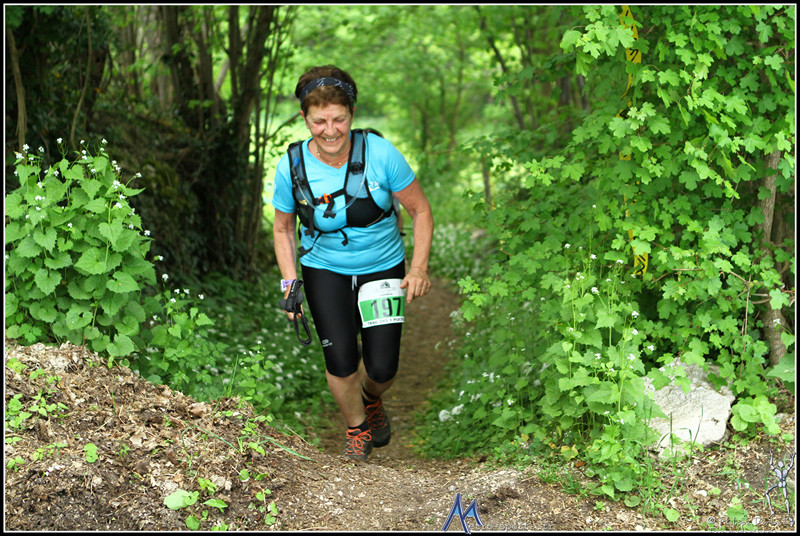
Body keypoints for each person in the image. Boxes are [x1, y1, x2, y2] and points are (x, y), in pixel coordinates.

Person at [271, 65, 434, 461]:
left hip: (382, 267)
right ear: (304, 118)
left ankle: (371, 398)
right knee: (341, 358)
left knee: (381, 368)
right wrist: (290, 283)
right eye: (319, 121)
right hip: (325, 268)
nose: (330, 130)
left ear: (352, 114)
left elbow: (420, 210)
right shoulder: (291, 165)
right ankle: (357, 428)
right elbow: (283, 228)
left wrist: (418, 268)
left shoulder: (380, 154)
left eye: (339, 119)